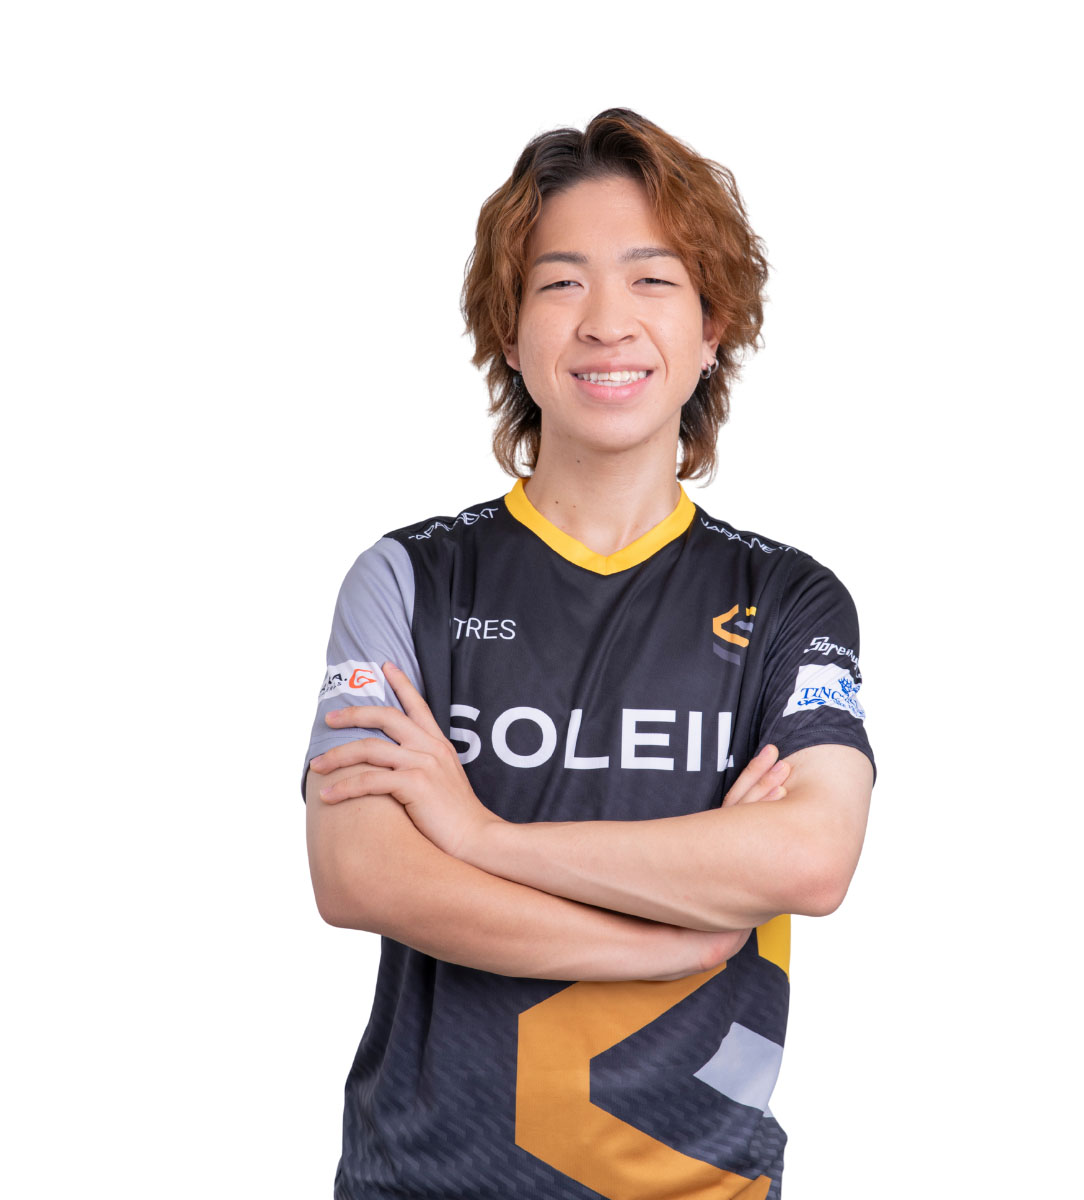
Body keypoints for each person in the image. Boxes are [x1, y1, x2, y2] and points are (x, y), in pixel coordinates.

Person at [303, 108, 874, 1200]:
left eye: (653, 280)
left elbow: (811, 859)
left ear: (712, 328)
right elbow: (359, 871)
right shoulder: (408, 579)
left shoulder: (791, 600)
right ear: (510, 333)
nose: (608, 322)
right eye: (562, 283)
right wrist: (670, 937)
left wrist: (475, 834)